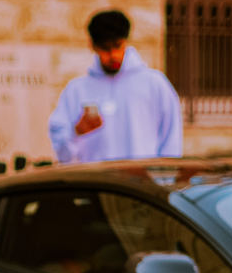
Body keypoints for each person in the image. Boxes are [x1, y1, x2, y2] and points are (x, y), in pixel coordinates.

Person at [46, 9, 182, 163]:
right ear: (93, 46)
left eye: (117, 45)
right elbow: (62, 155)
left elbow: (171, 143)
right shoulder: (76, 90)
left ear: (126, 41)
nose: (113, 55)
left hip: (142, 185)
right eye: (105, 48)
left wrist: (163, 181)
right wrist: (77, 132)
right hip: (94, 183)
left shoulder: (155, 84)